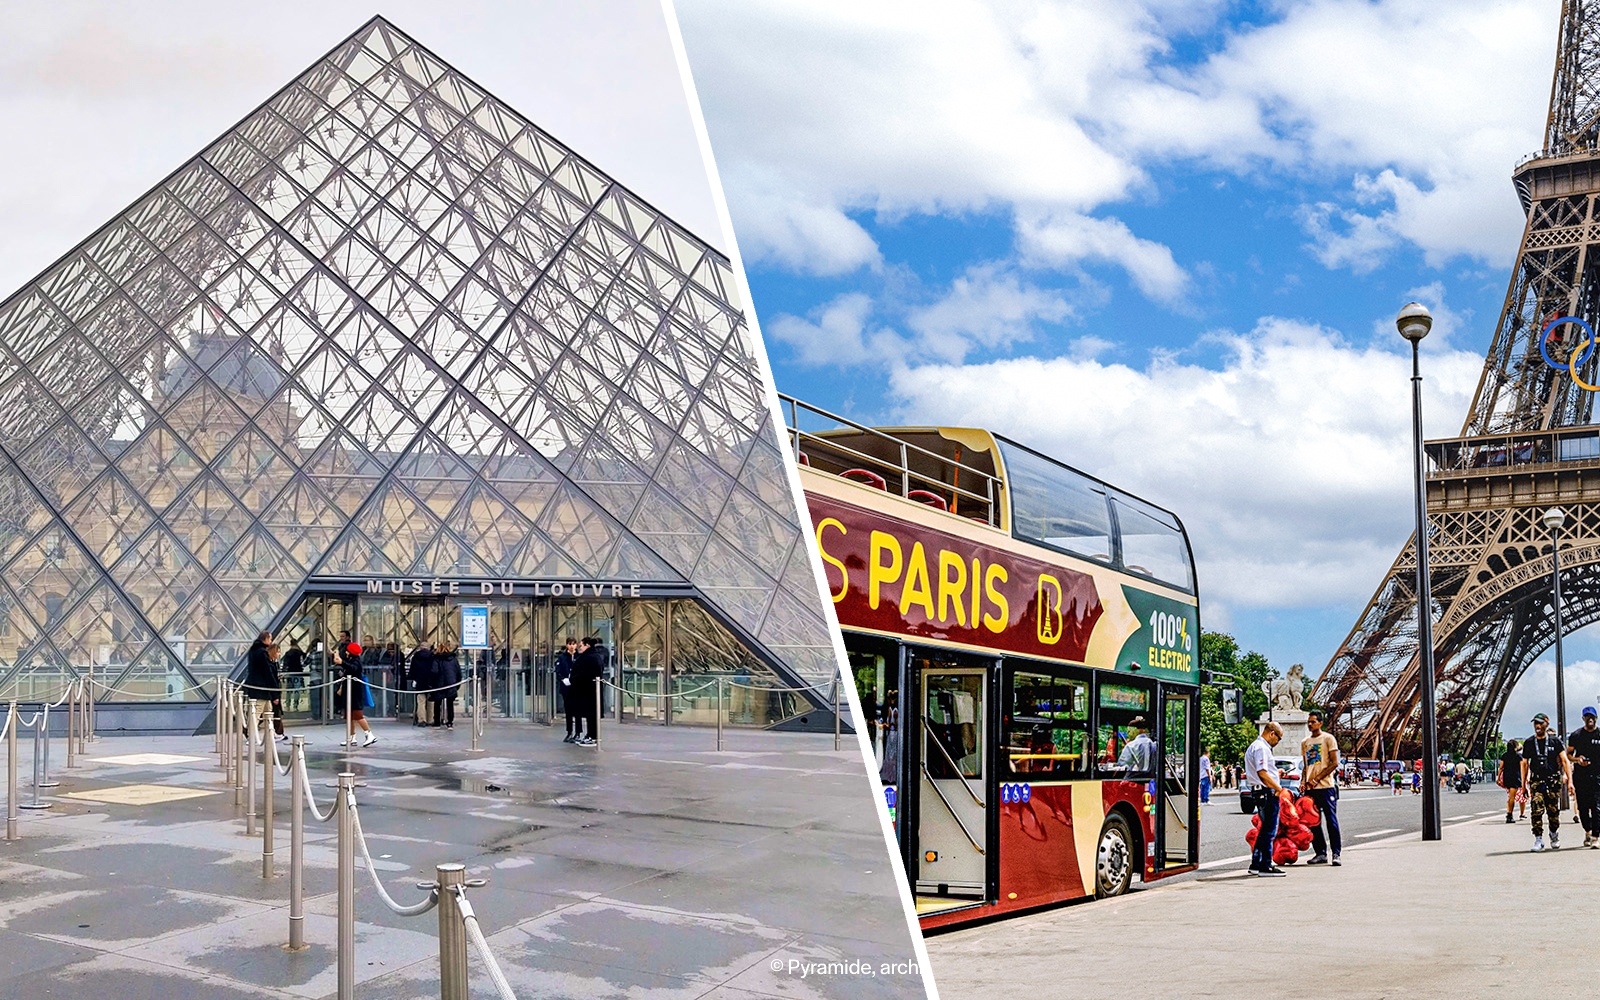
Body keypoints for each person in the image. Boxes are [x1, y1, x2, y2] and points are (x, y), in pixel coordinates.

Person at [1245, 721, 1288, 877]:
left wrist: (1276, 773)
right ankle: (1265, 865)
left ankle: (1256, 864)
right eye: (1279, 738)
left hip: (1260, 791)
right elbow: (1262, 773)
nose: (1278, 742)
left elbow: (1263, 772)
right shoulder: (1262, 748)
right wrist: (1278, 788)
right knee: (1269, 831)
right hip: (1267, 792)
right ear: (1272, 733)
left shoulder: (1255, 746)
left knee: (1264, 830)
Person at [1522, 713, 1570, 851]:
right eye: (1535, 723)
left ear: (1546, 724)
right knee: (1536, 809)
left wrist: (1569, 779)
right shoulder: (1529, 742)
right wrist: (1523, 784)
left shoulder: (1555, 742)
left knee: (1553, 811)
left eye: (1540, 723)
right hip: (1536, 780)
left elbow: (1565, 760)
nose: (1537, 726)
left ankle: (1553, 833)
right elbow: (1524, 764)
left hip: (1552, 780)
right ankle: (1538, 839)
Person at [1301, 708, 1341, 866]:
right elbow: (1306, 765)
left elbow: (1335, 763)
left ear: (1320, 723)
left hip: (1326, 786)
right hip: (1311, 788)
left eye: (1313, 722)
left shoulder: (1328, 739)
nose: (1310, 725)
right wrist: (1303, 781)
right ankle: (1320, 852)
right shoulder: (1305, 742)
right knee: (1313, 822)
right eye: (1309, 722)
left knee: (1331, 821)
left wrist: (1317, 778)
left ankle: (1336, 853)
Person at [1566, 707, 1600, 848]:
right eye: (1587, 717)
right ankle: (1588, 830)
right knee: (1583, 808)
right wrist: (1577, 759)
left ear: (1596, 718)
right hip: (1581, 776)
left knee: (1597, 807)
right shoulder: (1576, 735)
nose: (1589, 719)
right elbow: (1568, 755)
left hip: (1598, 775)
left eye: (1592, 716)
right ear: (1583, 719)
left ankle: (1596, 837)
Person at [241, 630, 283, 743]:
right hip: (261, 688)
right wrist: (274, 693)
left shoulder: (254, 650)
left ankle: (271, 732)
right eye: (270, 639)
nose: (271, 641)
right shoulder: (261, 652)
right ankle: (251, 735)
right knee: (258, 712)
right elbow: (267, 672)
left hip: (257, 687)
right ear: (265, 639)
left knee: (267, 711)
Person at [333, 639, 376, 748]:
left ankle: (369, 734)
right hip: (349, 692)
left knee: (358, 715)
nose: (346, 653)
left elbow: (353, 669)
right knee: (349, 716)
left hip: (355, 693)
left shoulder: (355, 662)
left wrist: (342, 662)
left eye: (347, 651)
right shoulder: (351, 660)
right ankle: (352, 736)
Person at [570, 636, 606, 747]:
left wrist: (573, 679)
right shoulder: (593, 656)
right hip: (589, 690)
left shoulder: (590, 657)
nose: (579, 648)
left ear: (587, 645)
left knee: (591, 714)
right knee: (591, 714)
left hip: (588, 690)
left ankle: (592, 736)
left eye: (581, 645)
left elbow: (584, 673)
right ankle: (590, 735)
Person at [555, 637, 580, 742]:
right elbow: (558, 670)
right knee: (568, 710)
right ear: (566, 645)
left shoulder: (580, 656)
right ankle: (569, 732)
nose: (571, 646)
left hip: (577, 687)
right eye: (569, 644)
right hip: (566, 687)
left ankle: (578, 732)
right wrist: (562, 679)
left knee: (578, 710)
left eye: (574, 644)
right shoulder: (562, 657)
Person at [432, 642, 459, 729]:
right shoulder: (453, 659)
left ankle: (437, 721)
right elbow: (458, 672)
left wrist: (432, 683)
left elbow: (434, 672)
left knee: (437, 703)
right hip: (451, 683)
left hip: (439, 684)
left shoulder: (436, 659)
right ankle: (450, 721)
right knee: (450, 704)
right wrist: (456, 684)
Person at [410, 642, 435, 727]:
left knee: (421, 701)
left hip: (419, 681)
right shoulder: (432, 657)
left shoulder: (416, 657)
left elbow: (412, 670)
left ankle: (421, 720)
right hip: (431, 681)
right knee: (431, 701)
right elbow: (435, 669)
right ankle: (430, 719)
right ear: (428, 648)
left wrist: (413, 679)